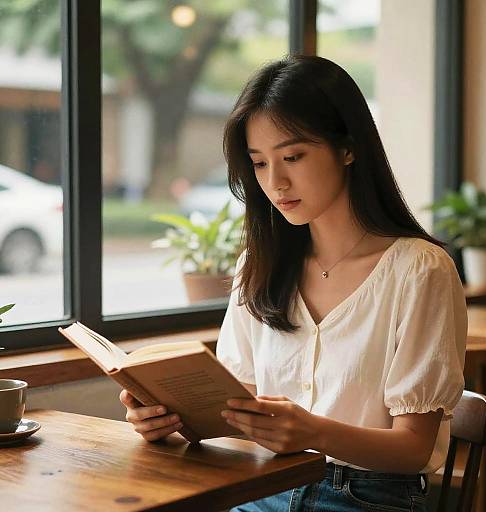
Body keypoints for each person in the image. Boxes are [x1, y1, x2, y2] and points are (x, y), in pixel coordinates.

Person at [120, 55, 467, 511]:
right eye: (259, 163)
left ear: (348, 148)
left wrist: (312, 432)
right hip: (261, 485)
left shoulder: (420, 270)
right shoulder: (260, 265)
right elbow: (238, 407)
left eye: (293, 156)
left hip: (365, 497)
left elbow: (414, 448)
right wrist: (168, 418)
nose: (276, 182)